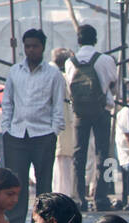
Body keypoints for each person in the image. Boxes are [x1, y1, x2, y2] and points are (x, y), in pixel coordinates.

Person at [0, 29, 65, 223]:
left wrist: (54, 130)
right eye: (27, 46)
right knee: (16, 184)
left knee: (44, 183)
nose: (30, 50)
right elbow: (7, 102)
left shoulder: (53, 73)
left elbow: (58, 105)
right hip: (17, 134)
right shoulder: (15, 72)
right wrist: (6, 128)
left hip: (43, 134)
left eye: (35, 46)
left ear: (43, 47)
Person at [66, 24, 119, 212]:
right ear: (95, 39)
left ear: (78, 40)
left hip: (79, 112)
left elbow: (69, 87)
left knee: (78, 155)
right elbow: (113, 84)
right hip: (101, 111)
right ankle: (101, 197)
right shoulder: (105, 60)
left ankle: (79, 198)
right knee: (103, 155)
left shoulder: (69, 62)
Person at [50, 48, 78, 200]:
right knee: (63, 162)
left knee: (61, 160)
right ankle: (64, 194)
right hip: (62, 120)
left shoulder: (54, 73)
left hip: (61, 120)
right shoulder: (59, 75)